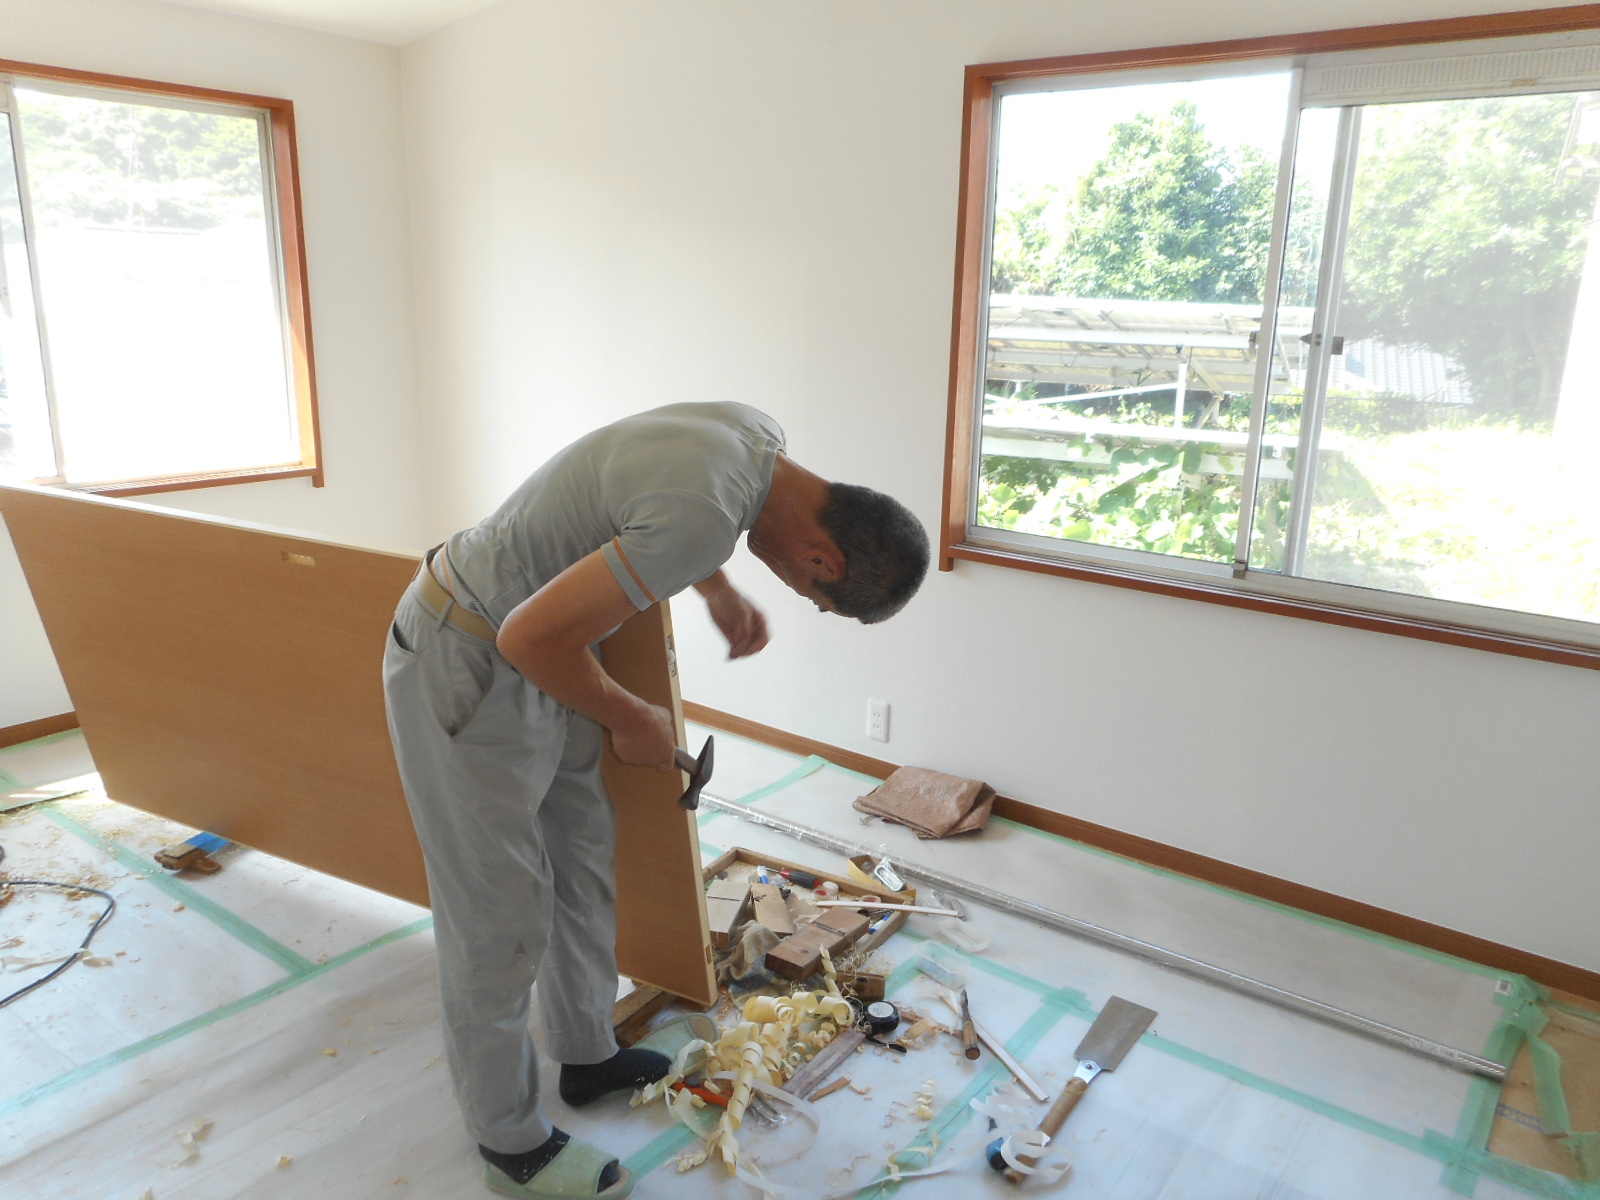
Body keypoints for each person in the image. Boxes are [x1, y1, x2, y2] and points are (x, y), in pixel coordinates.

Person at [381, 401, 928, 1198]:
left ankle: (585, 1053)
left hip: (551, 650)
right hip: (470, 657)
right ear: (822, 557)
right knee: (496, 916)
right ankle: (509, 1143)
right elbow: (525, 638)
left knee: (582, 859)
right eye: (815, 595)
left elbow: (662, 510)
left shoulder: (755, 438)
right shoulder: (704, 518)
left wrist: (717, 589)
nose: (798, 594)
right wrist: (632, 717)